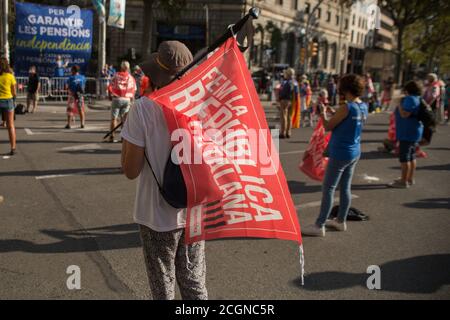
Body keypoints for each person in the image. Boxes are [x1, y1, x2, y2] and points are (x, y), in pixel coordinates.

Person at [120, 41, 208, 300]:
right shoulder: (200, 107)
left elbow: (130, 170)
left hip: (157, 215)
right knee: (194, 283)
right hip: (194, 207)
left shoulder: (143, 109)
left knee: (163, 287)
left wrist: (128, 138)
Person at [302, 74, 368, 237]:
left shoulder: (347, 107)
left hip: (340, 152)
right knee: (345, 187)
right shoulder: (362, 106)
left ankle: (319, 225)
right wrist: (334, 112)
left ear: (345, 89)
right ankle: (340, 221)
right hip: (354, 150)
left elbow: (328, 126)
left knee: (329, 189)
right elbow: (347, 122)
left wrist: (323, 113)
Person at [387, 81, 424, 189]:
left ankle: (403, 181)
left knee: (405, 157)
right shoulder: (417, 98)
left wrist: (399, 104)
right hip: (413, 131)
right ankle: (409, 178)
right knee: (412, 156)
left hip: (407, 132)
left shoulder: (410, 99)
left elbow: (404, 114)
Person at [108, 60, 136, 143]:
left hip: (117, 98)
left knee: (114, 118)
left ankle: (112, 137)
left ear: (121, 67)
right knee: (124, 119)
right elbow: (133, 89)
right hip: (127, 99)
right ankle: (123, 138)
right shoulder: (131, 78)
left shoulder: (116, 76)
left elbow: (110, 86)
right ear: (128, 68)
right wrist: (132, 101)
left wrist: (110, 96)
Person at [0, 58, 17, 155]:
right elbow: (14, 92)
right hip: (8, 101)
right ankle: (13, 147)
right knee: (10, 126)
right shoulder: (10, 76)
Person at [278, 68, 298, 138]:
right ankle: (288, 132)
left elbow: (283, 91)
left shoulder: (286, 82)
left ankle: (282, 132)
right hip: (292, 100)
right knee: (289, 117)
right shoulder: (295, 82)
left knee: (283, 116)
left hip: (285, 100)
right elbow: (296, 93)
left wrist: (280, 97)